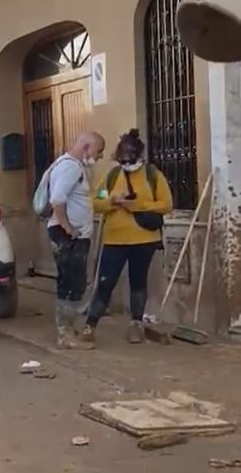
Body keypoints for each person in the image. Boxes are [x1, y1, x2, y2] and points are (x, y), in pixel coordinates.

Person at [85, 128, 173, 344]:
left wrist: (138, 205)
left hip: (144, 240)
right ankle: (90, 325)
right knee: (105, 283)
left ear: (140, 156)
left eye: (130, 160)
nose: (127, 164)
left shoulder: (153, 175)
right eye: (122, 160)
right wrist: (113, 201)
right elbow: (94, 202)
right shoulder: (112, 176)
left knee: (138, 282)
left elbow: (166, 204)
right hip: (114, 241)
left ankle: (136, 324)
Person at [44, 130, 106, 349]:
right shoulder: (70, 167)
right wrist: (67, 227)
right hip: (68, 236)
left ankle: (68, 329)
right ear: (86, 147)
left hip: (71, 235)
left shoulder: (72, 166)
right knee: (71, 283)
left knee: (73, 282)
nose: (99, 156)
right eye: (98, 151)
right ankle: (65, 334)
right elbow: (57, 199)